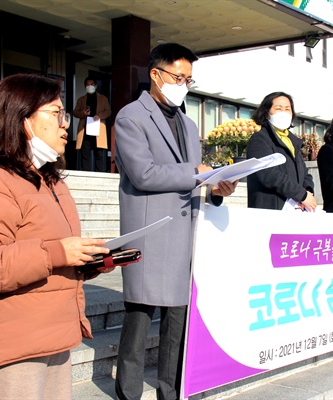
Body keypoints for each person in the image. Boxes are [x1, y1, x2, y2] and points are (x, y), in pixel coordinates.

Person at [0, 74, 111, 400]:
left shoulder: (50, 181)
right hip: (10, 347)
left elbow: (50, 253)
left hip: (55, 335)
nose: (66, 125)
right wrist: (57, 253)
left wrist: (86, 262)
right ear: (23, 119)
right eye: (56, 114)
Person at [113, 43, 237, 400]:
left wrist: (217, 186)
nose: (183, 84)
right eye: (178, 77)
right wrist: (196, 172)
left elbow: (194, 178)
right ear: (156, 74)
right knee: (138, 318)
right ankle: (129, 392)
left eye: (189, 79)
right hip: (150, 232)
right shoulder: (131, 116)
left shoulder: (188, 121)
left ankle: (171, 391)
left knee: (177, 324)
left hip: (185, 234)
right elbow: (143, 174)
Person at [246, 92, 316, 211]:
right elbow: (269, 174)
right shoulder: (260, 139)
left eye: (287, 109)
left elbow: (305, 173)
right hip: (271, 208)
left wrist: (307, 192)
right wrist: (301, 195)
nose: (283, 112)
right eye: (278, 108)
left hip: (295, 209)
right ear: (266, 113)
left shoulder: (293, 142)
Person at [73, 77, 112, 172]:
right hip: (85, 129)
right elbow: (75, 113)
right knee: (85, 153)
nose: (89, 86)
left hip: (98, 129)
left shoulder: (103, 98)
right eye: (87, 84)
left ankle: (100, 174)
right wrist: (83, 113)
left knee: (99, 153)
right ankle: (85, 173)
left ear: (95, 86)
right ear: (85, 86)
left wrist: (99, 115)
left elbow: (108, 111)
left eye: (91, 84)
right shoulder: (81, 99)